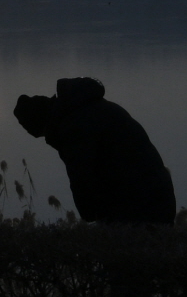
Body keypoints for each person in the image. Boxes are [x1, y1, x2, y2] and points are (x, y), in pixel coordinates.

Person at [12, 77, 176, 223]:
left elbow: (82, 180)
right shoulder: (88, 107)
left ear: (45, 123)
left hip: (143, 206)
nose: (47, 138)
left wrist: (91, 215)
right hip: (159, 196)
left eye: (43, 134)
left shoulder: (74, 128)